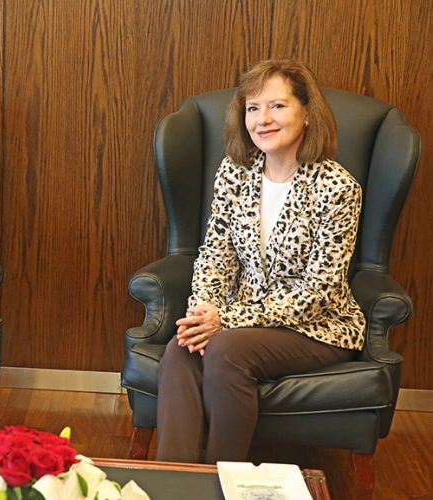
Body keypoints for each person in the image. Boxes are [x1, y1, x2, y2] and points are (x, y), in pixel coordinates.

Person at [155, 59, 366, 463]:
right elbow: (216, 254)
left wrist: (226, 320)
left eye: (277, 106)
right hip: (239, 320)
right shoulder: (234, 173)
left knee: (226, 350)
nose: (262, 119)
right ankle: (175, 480)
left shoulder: (338, 188)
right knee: (181, 349)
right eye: (252, 108)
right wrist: (203, 313)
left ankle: (223, 479)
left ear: (307, 113)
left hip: (316, 327)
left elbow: (319, 292)